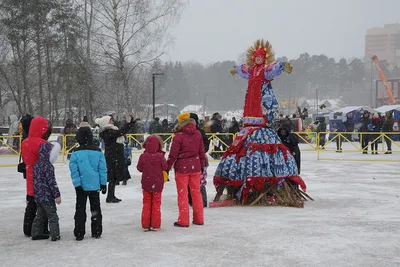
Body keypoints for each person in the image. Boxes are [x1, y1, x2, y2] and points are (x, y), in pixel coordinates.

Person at [214, 39, 306, 205]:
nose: (257, 60)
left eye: (260, 57)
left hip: (261, 99)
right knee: (251, 108)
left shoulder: (264, 70)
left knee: (261, 109)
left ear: (264, 58)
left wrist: (282, 66)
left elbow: (273, 68)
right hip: (251, 102)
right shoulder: (251, 71)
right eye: (255, 57)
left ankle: (268, 185)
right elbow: (243, 69)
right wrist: (236, 69)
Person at [167, 112, 206, 227]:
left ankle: (183, 220)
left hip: (182, 168)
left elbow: (173, 154)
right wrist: (201, 165)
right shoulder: (198, 134)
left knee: (183, 194)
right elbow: (201, 152)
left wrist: (167, 167)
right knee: (196, 193)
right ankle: (199, 219)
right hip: (196, 167)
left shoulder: (178, 136)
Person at [69, 125, 107, 241]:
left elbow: (74, 171)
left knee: (80, 209)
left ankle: (79, 232)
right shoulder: (98, 152)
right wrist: (103, 183)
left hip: (81, 186)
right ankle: (96, 230)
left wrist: (77, 184)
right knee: (95, 208)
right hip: (94, 185)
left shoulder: (75, 153)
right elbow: (102, 169)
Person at [95, 115, 136, 203]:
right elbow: (120, 132)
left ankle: (111, 195)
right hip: (113, 157)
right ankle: (110, 196)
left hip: (114, 156)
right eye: (110, 120)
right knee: (112, 177)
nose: (112, 121)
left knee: (113, 178)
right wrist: (129, 124)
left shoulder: (111, 130)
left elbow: (120, 132)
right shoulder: (108, 132)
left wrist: (130, 124)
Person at [21, 116, 50, 237]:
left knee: (31, 203)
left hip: (30, 174)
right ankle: (42, 229)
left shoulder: (25, 142)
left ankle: (27, 228)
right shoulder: (43, 144)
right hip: (41, 176)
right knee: (43, 205)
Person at [31, 140, 62, 241]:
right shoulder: (48, 166)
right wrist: (57, 195)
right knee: (52, 215)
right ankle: (55, 234)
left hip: (38, 195)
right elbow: (51, 182)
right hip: (47, 195)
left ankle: (35, 232)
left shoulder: (36, 165)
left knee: (40, 214)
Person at [137, 135, 168, 231]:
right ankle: (155, 224)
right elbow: (165, 167)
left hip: (146, 182)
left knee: (146, 203)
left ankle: (145, 224)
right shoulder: (160, 156)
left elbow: (139, 168)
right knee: (156, 203)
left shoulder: (143, 156)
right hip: (158, 183)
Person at [188, 113, 210, 208]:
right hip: (197, 159)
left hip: (194, 160)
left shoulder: (198, 132)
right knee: (199, 181)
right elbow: (206, 144)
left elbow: (206, 144)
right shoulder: (199, 132)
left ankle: (195, 201)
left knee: (195, 181)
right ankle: (198, 201)